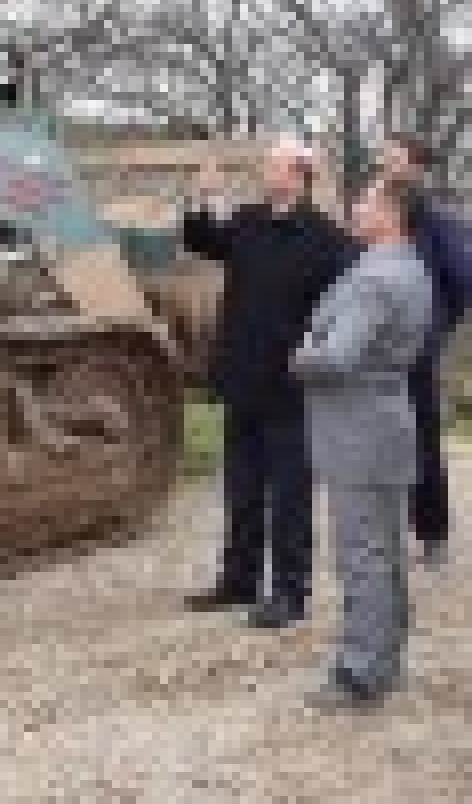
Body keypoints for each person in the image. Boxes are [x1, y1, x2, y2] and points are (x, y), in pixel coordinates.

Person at [182, 142, 359, 628]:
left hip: (292, 385)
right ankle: (238, 580)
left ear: (299, 176)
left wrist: (317, 356)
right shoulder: (248, 220)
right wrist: (202, 198)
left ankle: (289, 592)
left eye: (273, 165)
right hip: (243, 378)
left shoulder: (326, 238)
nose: (264, 171)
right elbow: (201, 242)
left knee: (290, 495)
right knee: (241, 488)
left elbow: (342, 310)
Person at [292, 177, 433, 710]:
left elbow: (337, 357)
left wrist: (301, 357)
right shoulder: (411, 268)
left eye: (366, 200)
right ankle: (386, 660)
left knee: (361, 556)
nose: (355, 207)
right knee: (386, 553)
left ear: (390, 212)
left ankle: (358, 674)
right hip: (388, 422)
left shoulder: (373, 278)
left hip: (356, 431)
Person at [380, 135, 472, 568]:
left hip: (417, 350)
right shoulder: (380, 213)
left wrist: (435, 327)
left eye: (394, 158)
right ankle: (385, 531)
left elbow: (462, 279)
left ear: (415, 168)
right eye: (384, 157)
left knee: (422, 440)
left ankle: (432, 533)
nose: (386, 163)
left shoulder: (436, 219)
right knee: (380, 439)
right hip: (376, 349)